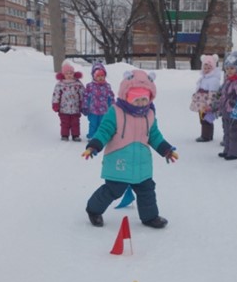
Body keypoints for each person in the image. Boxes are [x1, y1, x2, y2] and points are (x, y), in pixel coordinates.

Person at [82, 69, 178, 229]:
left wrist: (166, 150)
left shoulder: (149, 114)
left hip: (141, 163)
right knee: (113, 190)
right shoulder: (116, 112)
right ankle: (93, 209)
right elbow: (104, 131)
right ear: (126, 96)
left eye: (144, 99)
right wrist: (93, 146)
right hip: (119, 160)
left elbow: (154, 136)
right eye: (136, 99)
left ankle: (150, 217)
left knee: (146, 189)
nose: (140, 103)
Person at [216, 51, 237, 160]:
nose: (229, 71)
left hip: (235, 112)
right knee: (226, 131)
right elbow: (223, 94)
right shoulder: (228, 81)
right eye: (227, 68)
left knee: (235, 132)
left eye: (232, 68)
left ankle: (235, 153)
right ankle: (227, 150)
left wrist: (235, 105)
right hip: (226, 110)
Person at [189, 54, 222, 142]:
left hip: (206, 104)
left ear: (213, 68)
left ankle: (206, 136)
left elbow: (213, 94)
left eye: (209, 68)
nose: (206, 70)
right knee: (203, 119)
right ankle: (207, 134)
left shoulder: (213, 80)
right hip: (201, 104)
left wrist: (209, 104)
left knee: (206, 120)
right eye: (205, 67)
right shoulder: (204, 78)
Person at [52, 60, 85, 141]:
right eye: (67, 74)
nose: (69, 75)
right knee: (64, 123)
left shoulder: (78, 84)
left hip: (75, 108)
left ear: (74, 73)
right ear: (63, 74)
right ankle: (65, 135)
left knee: (75, 123)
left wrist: (82, 103)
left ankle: (75, 135)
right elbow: (56, 95)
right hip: (63, 108)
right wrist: (55, 104)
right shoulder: (60, 84)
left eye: (71, 73)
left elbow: (82, 94)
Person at [82, 62, 115, 140]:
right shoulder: (90, 86)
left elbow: (111, 97)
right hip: (92, 110)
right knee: (93, 123)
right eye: (98, 76)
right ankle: (92, 136)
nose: (100, 78)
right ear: (94, 76)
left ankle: (100, 137)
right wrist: (85, 106)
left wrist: (112, 107)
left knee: (102, 124)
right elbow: (86, 97)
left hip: (104, 110)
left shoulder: (107, 86)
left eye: (102, 76)